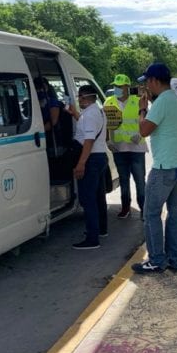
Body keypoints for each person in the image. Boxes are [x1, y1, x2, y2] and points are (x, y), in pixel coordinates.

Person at [132, 63, 177, 274]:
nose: (147, 86)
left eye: (147, 81)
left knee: (151, 214)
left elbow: (144, 129)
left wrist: (142, 109)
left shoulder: (161, 102)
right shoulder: (173, 99)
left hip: (164, 167)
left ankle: (157, 259)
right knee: (175, 214)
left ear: (154, 80)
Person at [68, 85, 108, 250]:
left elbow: (89, 141)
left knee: (88, 198)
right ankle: (101, 230)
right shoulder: (97, 111)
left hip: (91, 159)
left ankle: (92, 238)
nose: (78, 99)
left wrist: (81, 164)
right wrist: (75, 114)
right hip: (99, 157)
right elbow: (89, 128)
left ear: (85, 97)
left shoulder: (90, 114)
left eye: (80, 97)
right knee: (98, 196)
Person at [104, 74, 147, 219]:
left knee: (140, 181)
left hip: (136, 148)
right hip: (119, 148)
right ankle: (125, 208)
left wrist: (141, 135)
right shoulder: (108, 102)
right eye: (115, 86)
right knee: (123, 181)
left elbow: (147, 121)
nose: (117, 89)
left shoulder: (138, 101)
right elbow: (106, 124)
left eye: (120, 86)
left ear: (127, 87)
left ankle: (144, 209)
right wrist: (108, 141)